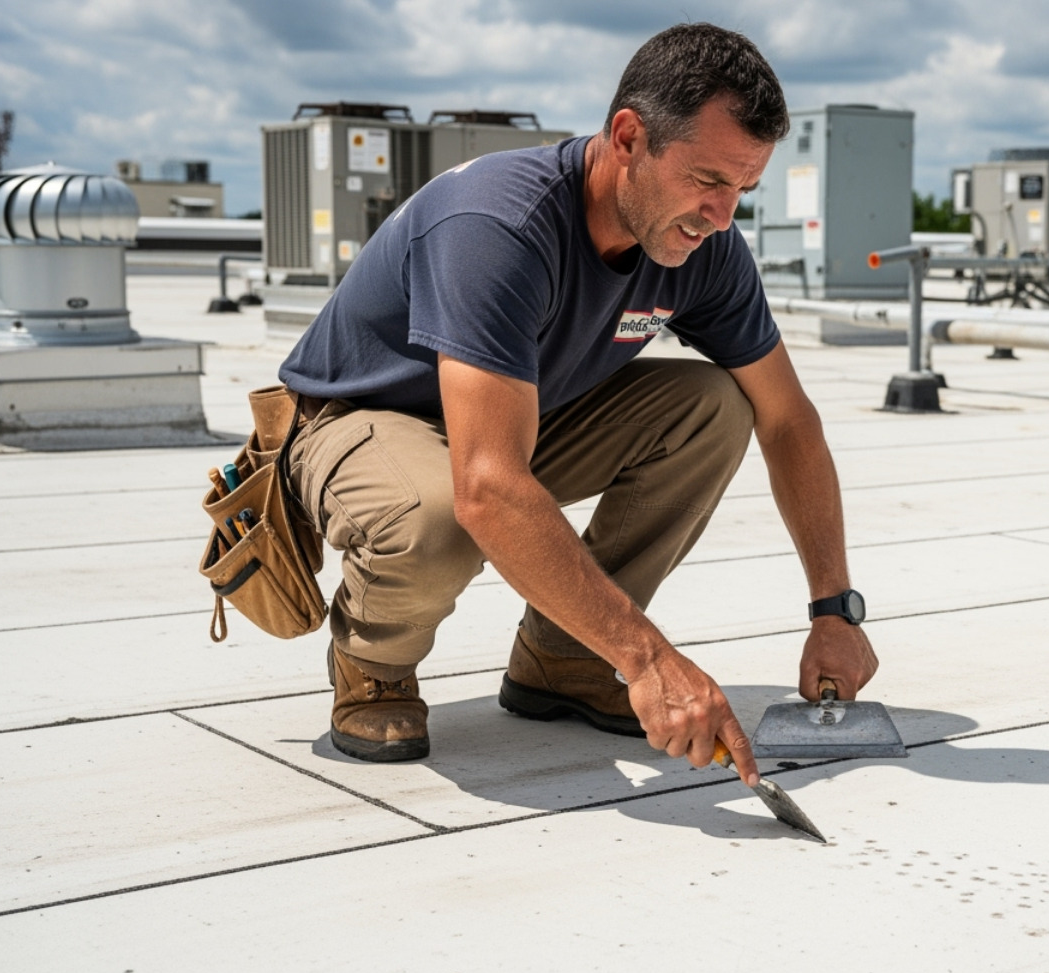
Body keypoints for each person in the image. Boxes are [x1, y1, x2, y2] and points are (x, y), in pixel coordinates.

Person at [277, 22, 877, 786]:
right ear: (629, 136)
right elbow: (487, 490)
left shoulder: (704, 248)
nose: (722, 216)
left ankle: (561, 659)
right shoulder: (499, 226)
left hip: (512, 418)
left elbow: (788, 418)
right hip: (360, 422)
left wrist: (834, 608)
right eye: (706, 180)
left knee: (717, 406)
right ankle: (374, 660)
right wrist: (649, 659)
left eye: (742, 190)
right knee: (439, 513)